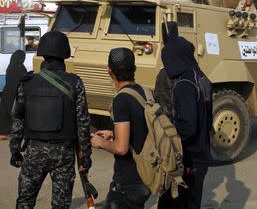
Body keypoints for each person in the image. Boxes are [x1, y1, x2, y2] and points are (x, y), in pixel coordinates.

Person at [9, 31, 92, 209]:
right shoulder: (75, 82)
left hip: (34, 152)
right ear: (65, 53)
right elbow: (83, 123)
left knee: (24, 201)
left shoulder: (27, 82)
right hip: (64, 154)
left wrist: (15, 150)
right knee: (61, 205)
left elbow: (18, 120)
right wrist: (85, 156)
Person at [158, 22, 212, 209]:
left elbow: (188, 127)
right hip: (202, 151)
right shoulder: (201, 77)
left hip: (190, 157)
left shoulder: (184, 85)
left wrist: (168, 143)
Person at [90, 47, 151, 208]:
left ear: (109, 71)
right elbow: (142, 128)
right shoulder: (144, 92)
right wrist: (114, 133)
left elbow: (121, 148)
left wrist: (100, 142)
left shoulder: (121, 100)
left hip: (129, 182)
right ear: (135, 69)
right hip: (147, 175)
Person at [0, 50, 27, 140]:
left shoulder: (10, 66)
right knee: (15, 112)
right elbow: (22, 81)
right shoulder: (21, 68)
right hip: (15, 93)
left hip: (6, 92)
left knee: (4, 112)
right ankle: (15, 132)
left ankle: (3, 133)